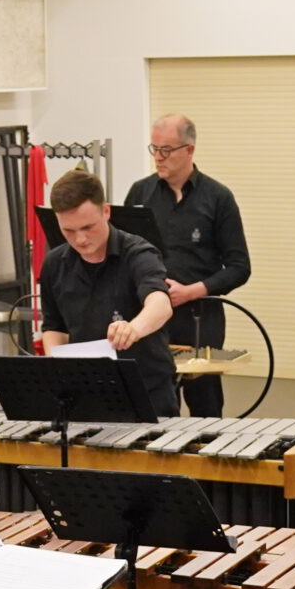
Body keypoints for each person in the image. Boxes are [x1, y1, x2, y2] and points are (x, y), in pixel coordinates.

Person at [122, 115, 250, 416]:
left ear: (189, 150)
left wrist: (191, 291)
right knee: (156, 405)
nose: (158, 157)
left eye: (166, 150)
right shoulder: (140, 193)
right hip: (150, 317)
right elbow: (123, 255)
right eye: (154, 148)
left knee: (206, 407)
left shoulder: (218, 198)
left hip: (200, 320)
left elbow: (239, 267)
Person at [41, 168, 178, 419]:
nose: (80, 239)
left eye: (88, 227)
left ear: (106, 211)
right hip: (86, 393)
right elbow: (54, 327)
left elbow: (160, 303)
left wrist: (133, 329)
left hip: (146, 391)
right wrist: (56, 363)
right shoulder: (54, 264)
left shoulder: (138, 252)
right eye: (68, 230)